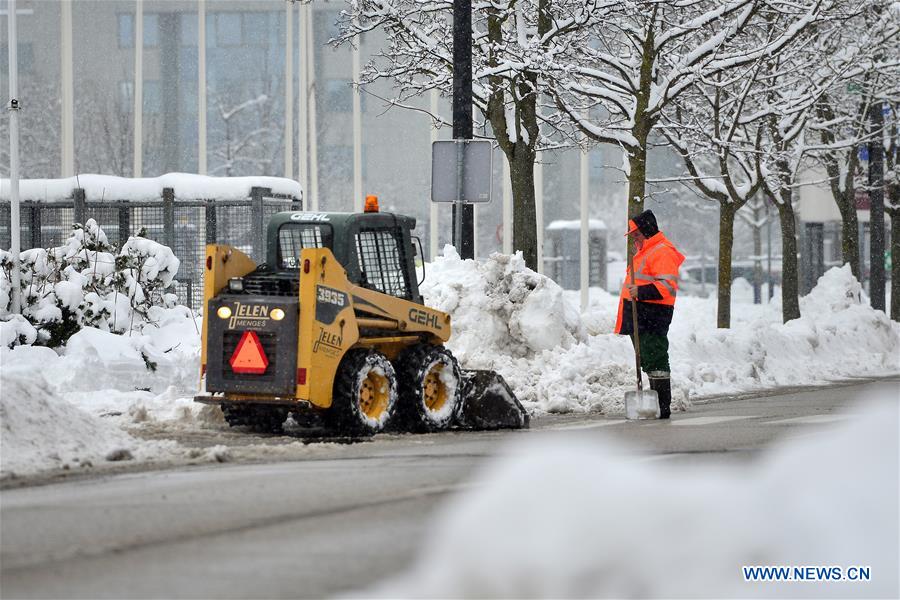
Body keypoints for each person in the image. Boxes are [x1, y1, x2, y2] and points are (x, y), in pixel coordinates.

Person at [615, 209, 685, 419]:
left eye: (636, 234)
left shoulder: (661, 251)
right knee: (648, 359)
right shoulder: (645, 251)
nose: (633, 238)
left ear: (646, 231)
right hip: (641, 316)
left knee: (656, 359)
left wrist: (641, 292)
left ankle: (662, 406)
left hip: (653, 316)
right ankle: (656, 403)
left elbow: (668, 286)